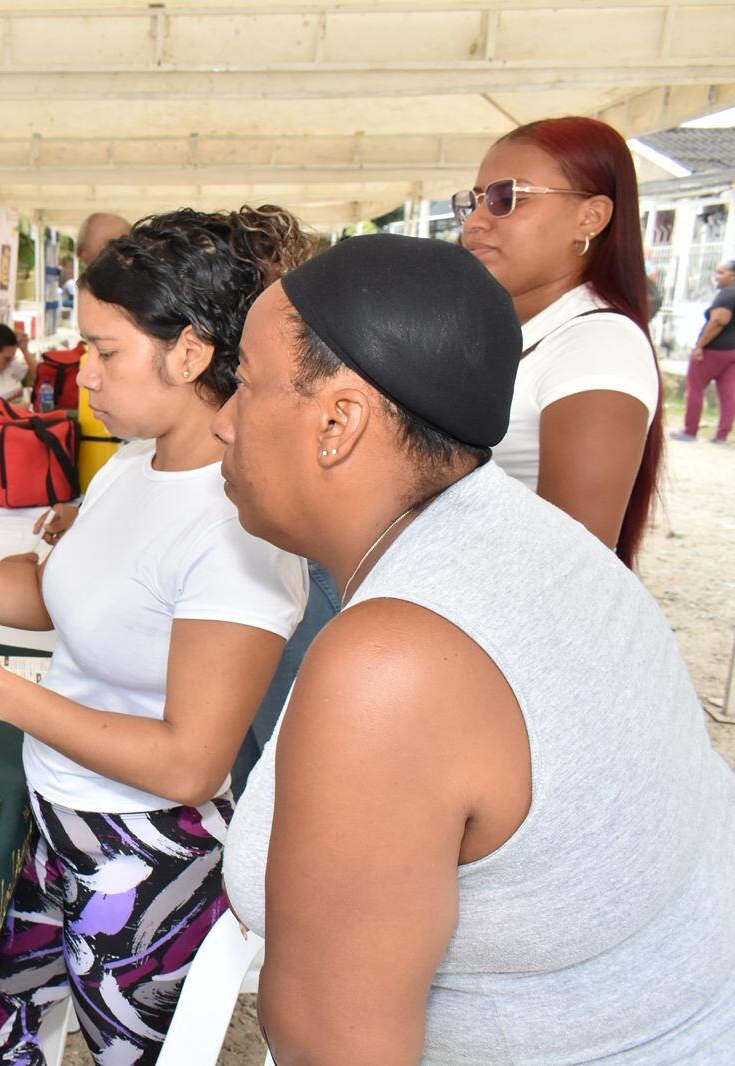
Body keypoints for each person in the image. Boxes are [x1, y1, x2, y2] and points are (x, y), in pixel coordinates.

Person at [218, 233, 735, 1063]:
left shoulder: (393, 668)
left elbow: (335, 1050)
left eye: (242, 382)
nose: (222, 420)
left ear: (337, 422)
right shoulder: (541, 544)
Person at [0, 208, 313, 1064]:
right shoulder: (136, 464)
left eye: (106, 351)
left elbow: (189, 763)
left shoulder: (236, 523)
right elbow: (64, 597)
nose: (84, 378)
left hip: (146, 859)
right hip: (55, 817)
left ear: (192, 352)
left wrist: (9, 697)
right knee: (3, 1035)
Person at [456, 115, 661, 568]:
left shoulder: (598, 344)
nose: (475, 221)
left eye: (506, 198)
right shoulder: (518, 329)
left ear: (590, 217)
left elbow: (570, 565)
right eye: (472, 201)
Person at [673, 260, 735, 443]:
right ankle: (722, 435)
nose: (717, 276)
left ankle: (690, 432)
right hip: (732, 352)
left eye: (721, 273)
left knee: (695, 387)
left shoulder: (727, 294)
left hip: (714, 349)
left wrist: (700, 346)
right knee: (728, 392)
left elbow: (718, 321)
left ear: (733, 276)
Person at [0, 322, 34, 402]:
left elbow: (40, 377)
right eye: (6, 359)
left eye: (12, 359)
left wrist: (25, 351)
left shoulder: (11, 366)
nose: (9, 364)